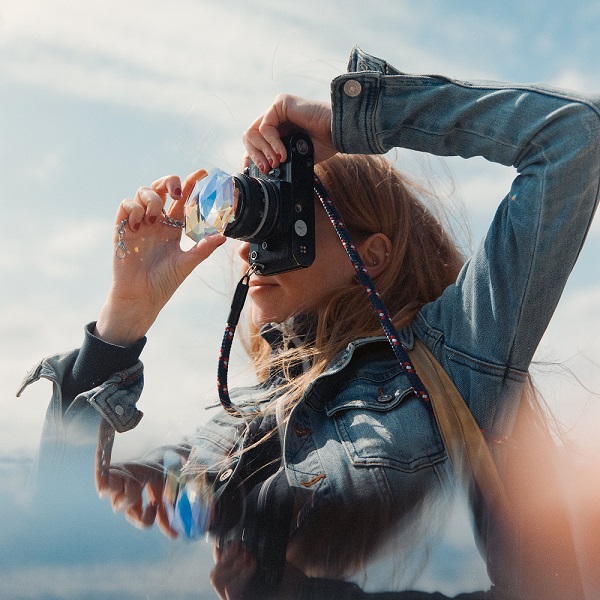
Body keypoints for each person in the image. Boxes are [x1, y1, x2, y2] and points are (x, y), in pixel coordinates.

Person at [19, 47, 600, 599]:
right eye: (250, 232)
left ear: (369, 255)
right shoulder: (235, 422)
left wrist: (356, 121)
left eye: (285, 221)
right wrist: (126, 316)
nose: (250, 251)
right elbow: (53, 534)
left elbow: (572, 136)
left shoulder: (458, 351)